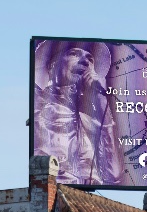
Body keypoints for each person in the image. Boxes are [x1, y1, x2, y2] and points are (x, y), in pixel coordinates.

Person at [34, 41, 129, 186]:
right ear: (53, 65)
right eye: (74, 54)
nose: (85, 61)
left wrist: (102, 104)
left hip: (88, 203)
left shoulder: (93, 120)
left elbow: (114, 176)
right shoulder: (37, 104)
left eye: (90, 59)